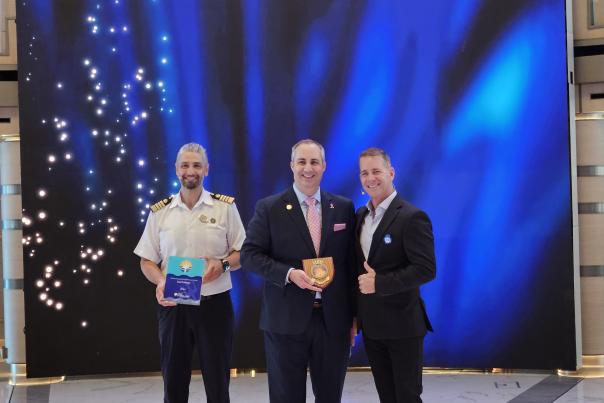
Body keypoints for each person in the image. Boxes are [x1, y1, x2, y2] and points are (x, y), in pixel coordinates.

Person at [241, 139, 357, 403]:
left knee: (330, 396)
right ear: (292, 165)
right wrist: (289, 274)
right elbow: (249, 256)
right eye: (302, 162)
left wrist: (354, 317)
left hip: (333, 322)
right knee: (286, 397)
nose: (308, 168)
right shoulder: (269, 208)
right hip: (285, 320)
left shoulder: (342, 208)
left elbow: (351, 265)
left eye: (314, 162)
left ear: (324, 166)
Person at [134, 142, 245, 403]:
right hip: (174, 307)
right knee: (173, 383)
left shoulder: (224, 208)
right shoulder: (160, 212)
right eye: (185, 165)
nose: (190, 170)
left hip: (214, 305)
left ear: (206, 170)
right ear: (176, 170)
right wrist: (161, 281)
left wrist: (223, 265)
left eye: (196, 165)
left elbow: (243, 253)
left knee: (218, 384)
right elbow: (146, 261)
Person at [356, 147, 436, 403]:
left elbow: (425, 269)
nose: (371, 178)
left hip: (403, 326)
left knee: (407, 398)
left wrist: (379, 283)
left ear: (391, 173)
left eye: (377, 171)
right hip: (372, 328)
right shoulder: (360, 217)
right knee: (387, 397)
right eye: (365, 173)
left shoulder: (413, 217)